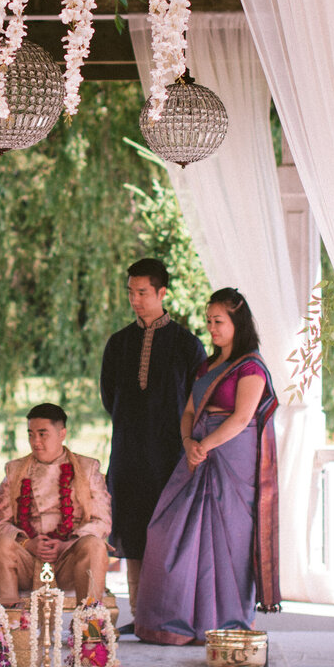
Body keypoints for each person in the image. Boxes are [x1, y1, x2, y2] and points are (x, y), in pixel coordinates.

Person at [135, 288, 280, 644]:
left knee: (228, 540)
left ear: (237, 323)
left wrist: (204, 445)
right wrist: (188, 444)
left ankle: (226, 625)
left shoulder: (251, 366)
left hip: (233, 460)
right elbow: (188, 411)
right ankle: (174, 622)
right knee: (169, 531)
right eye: (209, 321)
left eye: (219, 321)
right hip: (197, 454)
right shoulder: (207, 366)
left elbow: (243, 416)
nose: (211, 328)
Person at [100, 257, 206, 630]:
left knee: (167, 530)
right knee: (131, 529)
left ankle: (168, 616)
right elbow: (108, 397)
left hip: (170, 456)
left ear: (162, 292)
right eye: (130, 292)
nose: (135, 299)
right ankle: (140, 616)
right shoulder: (119, 344)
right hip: (129, 453)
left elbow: (199, 401)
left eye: (142, 292)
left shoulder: (186, 345)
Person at [0, 404, 111, 605]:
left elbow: (102, 521)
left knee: (94, 545)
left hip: (69, 557)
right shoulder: (15, 470)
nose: (35, 442)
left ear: (62, 433)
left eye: (42, 434)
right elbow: (2, 524)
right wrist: (28, 544)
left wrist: (67, 543)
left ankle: (90, 625)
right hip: (27, 556)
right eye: (30, 434)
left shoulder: (87, 468)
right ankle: (8, 625)